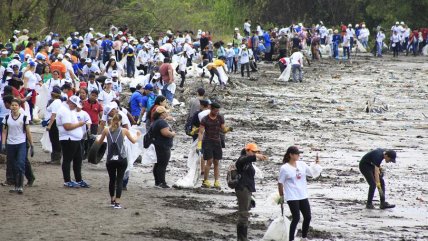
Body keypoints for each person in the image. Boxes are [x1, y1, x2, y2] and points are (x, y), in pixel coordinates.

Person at [96, 113, 141, 208]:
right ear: (120, 121)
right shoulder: (124, 130)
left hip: (110, 159)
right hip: (122, 158)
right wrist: (138, 135)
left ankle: (112, 199)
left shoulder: (106, 130)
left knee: (112, 180)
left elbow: (99, 142)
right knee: (120, 180)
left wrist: (96, 139)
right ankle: (117, 202)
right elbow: (133, 141)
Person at [278, 146, 321, 241]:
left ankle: (303, 237)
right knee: (296, 218)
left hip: (302, 194)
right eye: (297, 154)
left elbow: (311, 173)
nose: (299, 155)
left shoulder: (301, 164)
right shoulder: (284, 168)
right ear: (291, 155)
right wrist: (281, 196)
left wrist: (316, 165)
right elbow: (280, 182)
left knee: (308, 216)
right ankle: (291, 239)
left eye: (299, 153)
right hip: (292, 196)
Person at [235, 143, 268, 241]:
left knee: (245, 213)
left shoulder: (248, 161)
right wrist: (256, 156)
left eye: (256, 151)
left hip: (247, 189)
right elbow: (243, 160)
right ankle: (242, 238)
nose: (255, 153)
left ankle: (242, 238)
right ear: (247, 150)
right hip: (242, 189)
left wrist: (256, 156)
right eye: (253, 151)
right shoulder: (241, 160)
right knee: (244, 214)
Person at [2, 98, 34, 194]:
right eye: (12, 105)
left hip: (21, 143)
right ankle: (16, 185)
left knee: (20, 163)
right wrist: (3, 143)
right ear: (10, 107)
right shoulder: (7, 117)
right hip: (10, 143)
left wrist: (32, 145)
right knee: (13, 164)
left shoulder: (24, 118)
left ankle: (19, 186)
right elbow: (4, 131)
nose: (14, 107)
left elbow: (28, 132)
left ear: (19, 107)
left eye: (16, 105)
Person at [56, 95, 89, 188]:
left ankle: (78, 179)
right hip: (68, 139)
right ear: (71, 103)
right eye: (75, 105)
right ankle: (67, 180)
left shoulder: (70, 110)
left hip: (75, 139)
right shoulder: (64, 110)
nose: (75, 108)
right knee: (67, 159)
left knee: (78, 159)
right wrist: (80, 124)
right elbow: (67, 126)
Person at [197, 102, 232, 188]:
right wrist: (199, 144)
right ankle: (205, 181)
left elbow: (223, 129)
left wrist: (228, 129)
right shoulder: (205, 119)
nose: (217, 112)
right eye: (215, 110)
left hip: (217, 141)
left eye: (218, 111)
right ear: (211, 109)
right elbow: (201, 132)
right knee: (209, 161)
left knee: (216, 162)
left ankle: (217, 181)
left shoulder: (220, 117)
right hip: (208, 141)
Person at [151, 106, 176, 188]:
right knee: (162, 164)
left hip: (158, 144)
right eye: (166, 112)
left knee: (158, 164)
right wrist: (173, 134)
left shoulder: (156, 121)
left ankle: (157, 182)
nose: (167, 113)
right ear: (162, 114)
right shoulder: (161, 122)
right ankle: (162, 182)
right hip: (163, 145)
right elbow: (166, 133)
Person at [45, 86, 63, 164]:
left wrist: (49, 125)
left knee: (54, 140)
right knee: (54, 140)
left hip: (54, 123)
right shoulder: (57, 101)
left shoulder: (56, 102)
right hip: (55, 122)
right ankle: (55, 158)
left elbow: (53, 115)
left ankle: (56, 159)